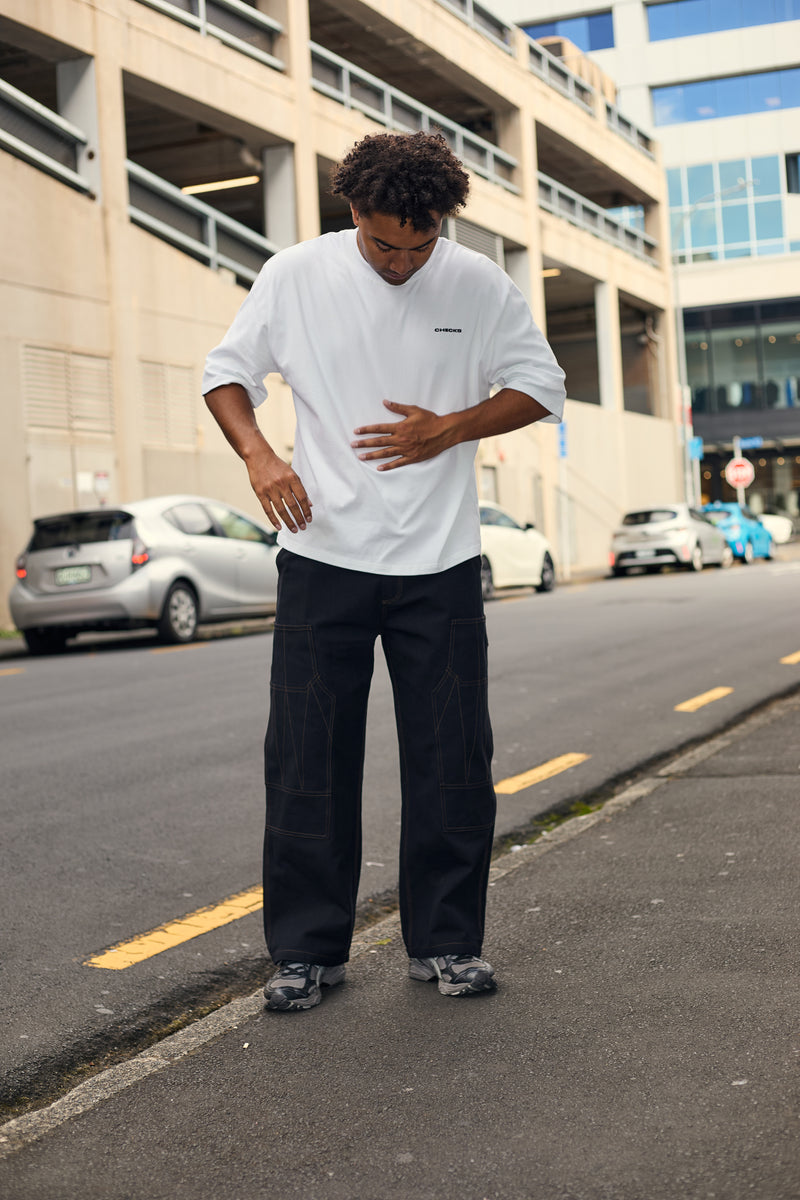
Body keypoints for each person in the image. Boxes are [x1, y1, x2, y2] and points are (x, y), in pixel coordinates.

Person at [202, 131, 566, 1011]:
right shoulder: (295, 275)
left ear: (442, 222)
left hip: (441, 562)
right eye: (382, 244)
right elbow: (225, 375)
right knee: (307, 759)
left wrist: (451, 427)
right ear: (354, 213)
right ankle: (305, 953)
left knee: (452, 758)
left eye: (420, 244)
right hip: (321, 556)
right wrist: (259, 456)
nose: (402, 261)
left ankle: (447, 943)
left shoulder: (478, 282)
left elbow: (540, 385)